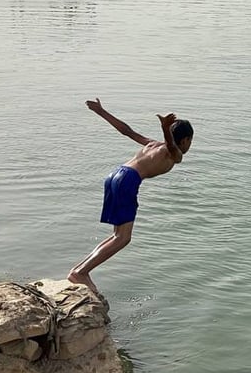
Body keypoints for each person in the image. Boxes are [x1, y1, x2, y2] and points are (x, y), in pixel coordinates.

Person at [68, 98, 193, 293]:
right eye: (190, 142)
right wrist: (165, 129)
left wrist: (101, 112)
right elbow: (171, 146)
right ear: (185, 140)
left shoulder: (152, 145)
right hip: (128, 180)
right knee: (123, 238)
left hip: (114, 175)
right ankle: (81, 273)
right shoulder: (175, 154)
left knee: (118, 235)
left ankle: (78, 270)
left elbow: (127, 131)